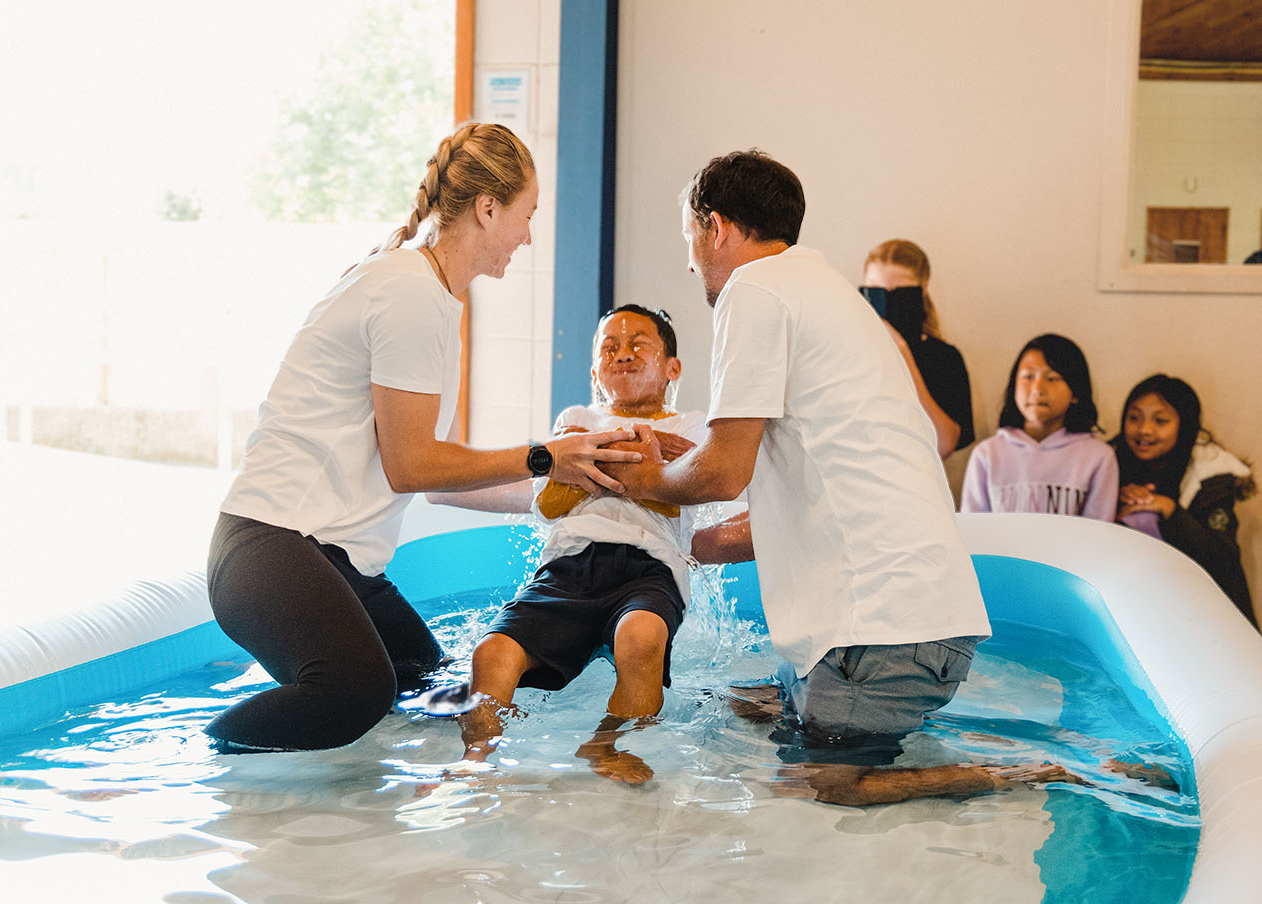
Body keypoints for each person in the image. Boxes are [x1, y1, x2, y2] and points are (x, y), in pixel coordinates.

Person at [604, 150, 1079, 804]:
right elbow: (814, 498)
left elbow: (720, 471)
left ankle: (1043, 774)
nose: (689, 261)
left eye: (689, 238)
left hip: (875, 636)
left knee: (818, 786)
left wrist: (636, 487)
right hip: (925, 627)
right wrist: (686, 544)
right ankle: (1024, 756)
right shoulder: (836, 299)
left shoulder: (754, 290)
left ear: (715, 227)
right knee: (733, 707)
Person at [205, 123, 642, 752]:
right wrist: (547, 455)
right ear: (488, 209)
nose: (526, 236)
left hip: (330, 557)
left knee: (431, 689)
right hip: (271, 544)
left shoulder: (432, 297)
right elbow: (411, 466)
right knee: (355, 693)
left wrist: (579, 491)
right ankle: (195, 761)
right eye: (526, 216)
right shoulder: (407, 289)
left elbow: (442, 479)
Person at [436, 305, 707, 784]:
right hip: (568, 566)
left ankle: (608, 744)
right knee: (492, 653)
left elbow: (669, 498)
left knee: (641, 638)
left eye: (638, 344)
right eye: (609, 347)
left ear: (672, 368)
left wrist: (592, 456)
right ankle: (475, 758)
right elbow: (554, 502)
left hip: (649, 567)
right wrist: (643, 454)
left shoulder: (693, 426)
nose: (622, 354)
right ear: (595, 372)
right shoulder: (576, 416)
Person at [1112, 374, 1256, 626]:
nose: (1144, 429)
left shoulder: (1210, 479)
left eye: (1160, 420)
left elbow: (1223, 561)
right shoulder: (1109, 463)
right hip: (1135, 609)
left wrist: (1170, 510)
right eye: (1134, 417)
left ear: (1185, 425)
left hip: (1203, 616)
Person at [960, 334, 1118, 520]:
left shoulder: (1098, 457)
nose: (1037, 389)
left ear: (1076, 393)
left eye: (1052, 378)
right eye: (1028, 376)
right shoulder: (987, 454)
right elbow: (973, 528)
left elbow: (1098, 533)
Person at [860, 239, 974, 458]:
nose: (886, 303)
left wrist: (902, 354)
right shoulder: (846, 350)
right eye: (875, 292)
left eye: (899, 294)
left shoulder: (944, 359)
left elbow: (944, 444)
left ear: (921, 292)